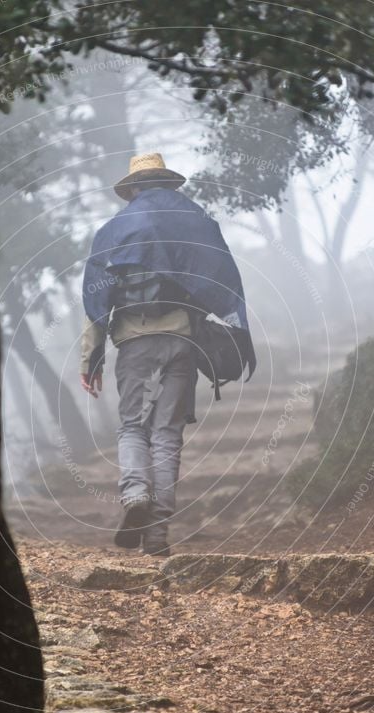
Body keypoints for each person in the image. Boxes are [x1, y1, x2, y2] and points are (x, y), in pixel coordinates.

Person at [80, 152, 251, 556]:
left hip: (135, 342)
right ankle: (157, 537)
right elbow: (219, 277)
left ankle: (136, 495)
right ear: (170, 184)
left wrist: (91, 358)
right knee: (167, 433)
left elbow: (96, 298)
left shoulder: (114, 229)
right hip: (183, 341)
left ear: (133, 188)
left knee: (133, 427)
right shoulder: (197, 223)